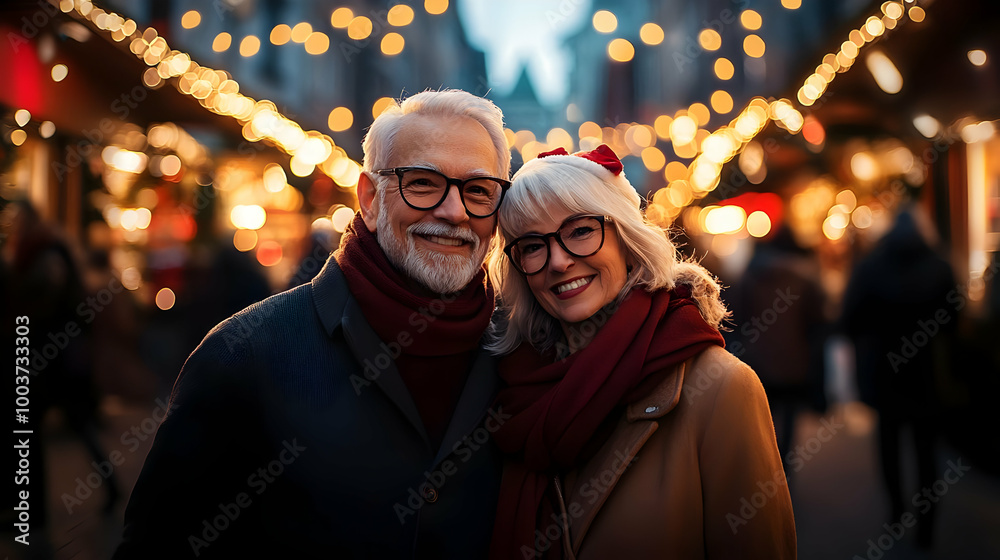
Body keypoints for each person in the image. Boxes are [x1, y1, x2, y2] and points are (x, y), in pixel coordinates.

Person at [114, 89, 512, 559]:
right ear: (368, 197)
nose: (455, 211)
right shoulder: (245, 352)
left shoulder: (520, 352)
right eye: (422, 183)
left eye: (479, 190)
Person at [486, 145, 796, 559]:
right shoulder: (511, 386)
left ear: (627, 239)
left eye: (580, 230)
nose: (558, 261)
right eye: (531, 245)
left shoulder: (721, 388)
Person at [841, 199, 956, 549]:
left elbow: (850, 320)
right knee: (926, 451)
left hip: (885, 371)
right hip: (926, 374)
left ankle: (895, 511)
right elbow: (954, 321)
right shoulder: (939, 266)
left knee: (889, 446)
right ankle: (927, 526)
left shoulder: (872, 267)